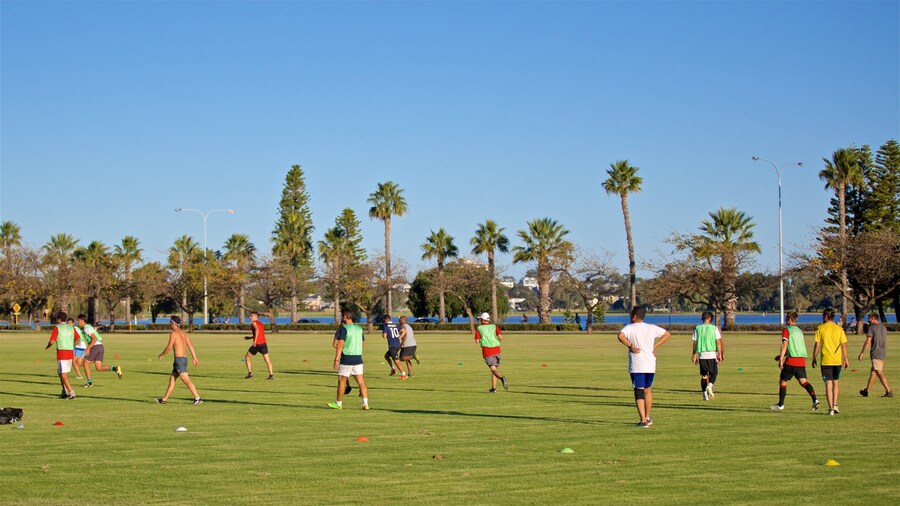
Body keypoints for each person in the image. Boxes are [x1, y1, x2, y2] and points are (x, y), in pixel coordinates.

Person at [617, 306, 671, 428]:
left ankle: (643, 420)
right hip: (650, 363)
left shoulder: (630, 327)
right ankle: (647, 417)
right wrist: (655, 346)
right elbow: (667, 334)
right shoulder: (651, 327)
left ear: (634, 316)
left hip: (637, 364)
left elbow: (620, 336)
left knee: (639, 391)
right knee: (648, 390)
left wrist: (631, 345)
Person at [770, 311, 820, 411]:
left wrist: (781, 359)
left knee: (783, 381)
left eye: (785, 318)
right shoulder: (799, 331)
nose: (784, 320)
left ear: (789, 319)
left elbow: (785, 344)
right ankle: (815, 399)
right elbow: (795, 347)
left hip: (791, 361)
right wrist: (781, 356)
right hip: (801, 360)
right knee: (804, 382)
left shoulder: (786, 330)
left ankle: (780, 405)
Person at [328, 309, 369, 410]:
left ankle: (338, 403)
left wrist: (336, 360)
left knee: (342, 381)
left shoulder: (344, 329)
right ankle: (365, 404)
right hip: (358, 358)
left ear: (345, 317)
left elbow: (340, 345)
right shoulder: (359, 329)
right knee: (361, 382)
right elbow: (362, 344)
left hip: (347, 358)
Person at [156, 316, 202, 405]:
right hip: (183, 359)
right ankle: (164, 400)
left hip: (179, 360)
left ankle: (197, 398)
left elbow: (169, 347)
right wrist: (194, 358)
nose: (170, 324)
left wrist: (162, 354)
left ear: (173, 323)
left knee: (186, 380)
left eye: (170, 322)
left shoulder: (174, 333)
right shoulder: (184, 334)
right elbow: (191, 346)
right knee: (172, 379)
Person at [812, 307, 849, 416]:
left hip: (826, 360)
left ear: (826, 316)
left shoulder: (820, 329)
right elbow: (843, 345)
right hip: (837, 361)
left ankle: (831, 409)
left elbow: (817, 344)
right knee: (836, 382)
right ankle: (835, 404)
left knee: (828, 384)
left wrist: (814, 357)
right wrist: (846, 359)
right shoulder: (839, 329)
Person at [79, 314, 122, 387]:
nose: (78, 322)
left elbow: (94, 338)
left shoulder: (86, 328)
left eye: (78, 321)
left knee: (85, 363)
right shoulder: (87, 328)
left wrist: (88, 348)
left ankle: (89, 383)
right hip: (100, 347)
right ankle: (115, 368)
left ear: (82, 320)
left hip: (95, 347)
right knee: (99, 367)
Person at [44, 311, 79, 399]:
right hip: (70, 352)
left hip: (62, 353)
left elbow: (52, 341)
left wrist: (47, 346)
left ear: (59, 319)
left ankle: (72, 393)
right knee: (60, 372)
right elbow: (78, 338)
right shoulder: (71, 327)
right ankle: (64, 391)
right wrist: (72, 346)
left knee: (63, 374)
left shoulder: (57, 328)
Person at [858, 313, 893, 398]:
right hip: (882, 352)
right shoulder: (883, 327)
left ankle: (889, 391)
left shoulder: (872, 327)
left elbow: (868, 341)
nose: (868, 320)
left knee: (879, 371)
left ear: (873, 318)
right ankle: (866, 391)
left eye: (869, 319)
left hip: (876, 352)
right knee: (874, 372)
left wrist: (862, 353)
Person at [691, 311, 724, 401]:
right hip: (712, 353)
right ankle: (710, 386)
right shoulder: (714, 328)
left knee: (704, 376)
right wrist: (720, 354)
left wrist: (694, 355)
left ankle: (704, 395)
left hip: (702, 355)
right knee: (714, 373)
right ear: (710, 319)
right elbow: (718, 341)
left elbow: (695, 343)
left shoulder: (697, 328)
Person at [474, 312, 508, 393]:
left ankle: (502, 378)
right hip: (497, 350)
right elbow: (500, 338)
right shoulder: (494, 326)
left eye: (480, 319)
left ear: (482, 320)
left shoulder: (479, 328)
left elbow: (477, 341)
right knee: (495, 369)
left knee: (493, 369)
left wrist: (483, 340)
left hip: (487, 351)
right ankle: (493, 388)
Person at [244, 311, 274, 379]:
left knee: (247, 357)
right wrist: (250, 337)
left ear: (255, 317)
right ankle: (271, 375)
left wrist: (254, 341)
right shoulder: (261, 324)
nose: (250, 317)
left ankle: (250, 373)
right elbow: (259, 333)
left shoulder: (253, 323)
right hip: (263, 344)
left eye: (251, 316)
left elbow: (257, 330)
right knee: (267, 360)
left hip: (257, 344)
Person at [381, 315, 406, 379]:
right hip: (397, 344)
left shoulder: (385, 326)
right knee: (386, 356)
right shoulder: (395, 325)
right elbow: (404, 331)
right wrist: (399, 337)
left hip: (392, 345)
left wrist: (383, 333)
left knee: (396, 360)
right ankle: (393, 369)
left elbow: (384, 336)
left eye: (384, 320)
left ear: (386, 320)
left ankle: (403, 374)